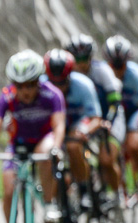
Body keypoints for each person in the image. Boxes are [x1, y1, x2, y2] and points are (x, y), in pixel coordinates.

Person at [0, 49, 66, 223]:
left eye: (30, 84)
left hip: (44, 140)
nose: (25, 91)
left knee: (44, 152)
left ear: (39, 81)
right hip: (18, 145)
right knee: (9, 189)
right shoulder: (7, 97)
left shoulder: (52, 95)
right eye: (20, 86)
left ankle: (49, 205)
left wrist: (56, 147)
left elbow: (59, 125)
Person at [66, 34, 125, 198]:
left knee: (106, 160)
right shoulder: (66, 75)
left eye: (84, 58)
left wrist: (108, 121)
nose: (81, 63)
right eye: (76, 58)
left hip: (110, 117)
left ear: (91, 57)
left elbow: (114, 101)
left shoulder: (102, 71)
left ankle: (117, 194)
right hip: (86, 119)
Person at [43, 48, 103, 207]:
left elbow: (96, 118)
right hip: (54, 125)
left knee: (73, 144)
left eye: (62, 82)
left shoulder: (84, 85)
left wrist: (85, 131)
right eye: (53, 82)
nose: (58, 87)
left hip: (77, 123)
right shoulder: (40, 85)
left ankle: (84, 189)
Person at [103, 35, 138, 204]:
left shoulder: (136, 75)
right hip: (113, 112)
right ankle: (118, 191)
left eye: (121, 65)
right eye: (113, 65)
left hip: (132, 112)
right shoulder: (103, 74)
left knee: (133, 145)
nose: (117, 70)